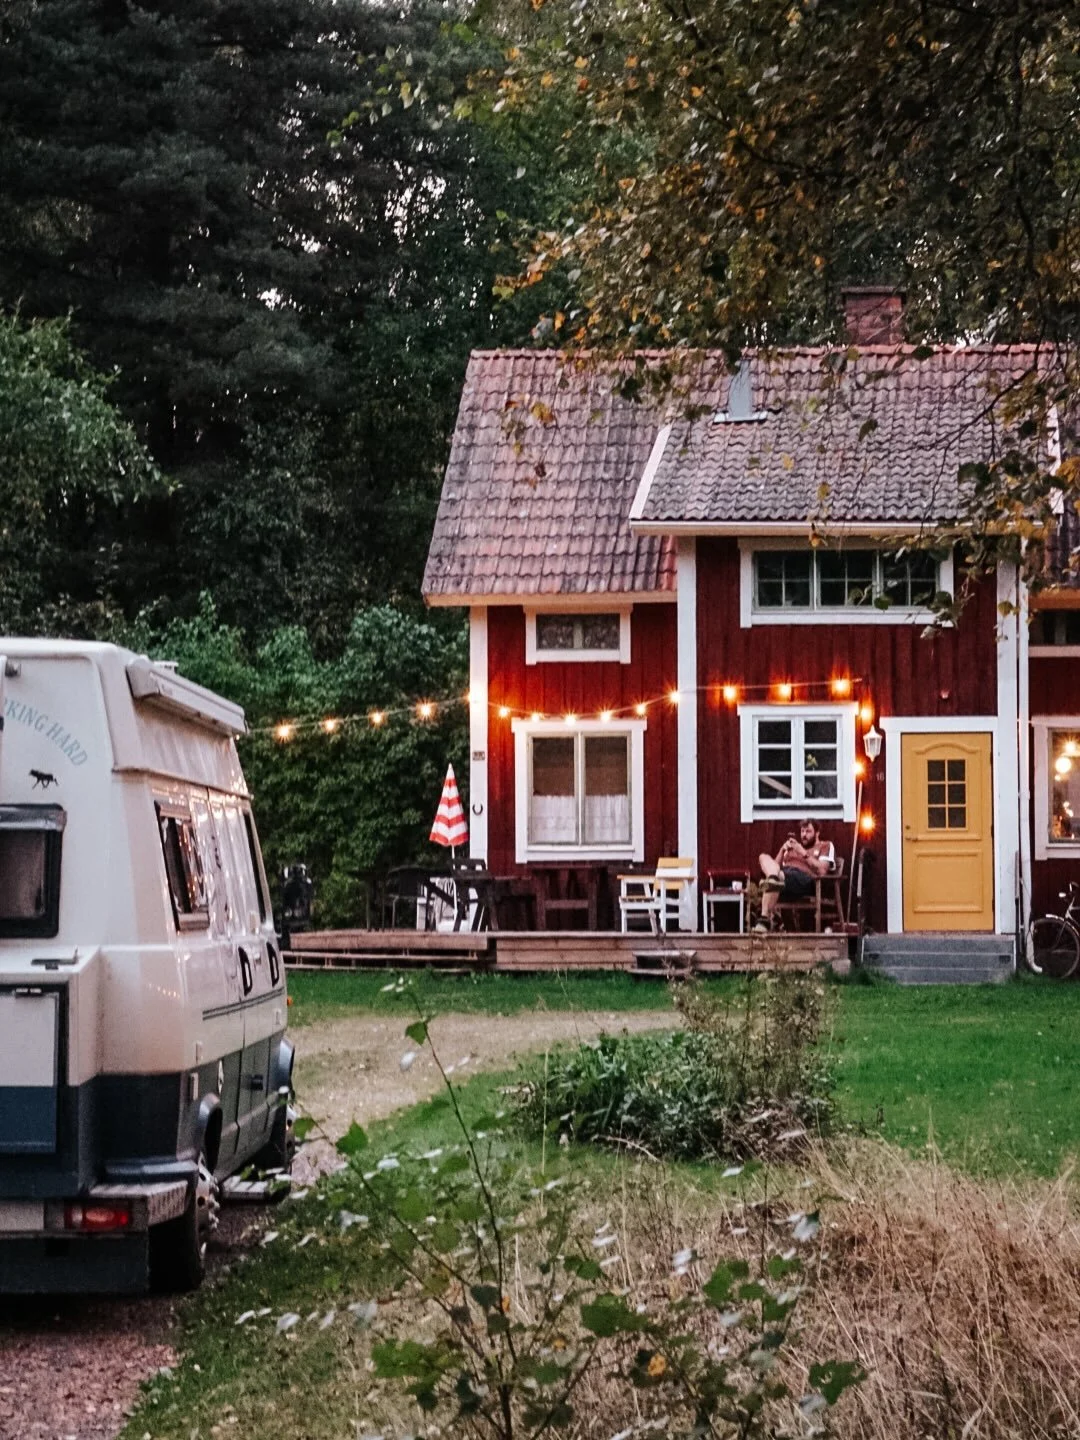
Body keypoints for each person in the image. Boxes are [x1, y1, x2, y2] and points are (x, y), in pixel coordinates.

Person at [756, 819, 831, 930]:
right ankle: (773, 880)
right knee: (763, 857)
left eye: (808, 831)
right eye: (802, 831)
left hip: (804, 879)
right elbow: (773, 867)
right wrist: (782, 850)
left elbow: (822, 870)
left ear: (817, 833)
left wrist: (803, 853)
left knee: (777, 878)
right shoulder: (792, 848)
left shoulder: (825, 846)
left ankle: (764, 918)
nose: (804, 835)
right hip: (784, 876)